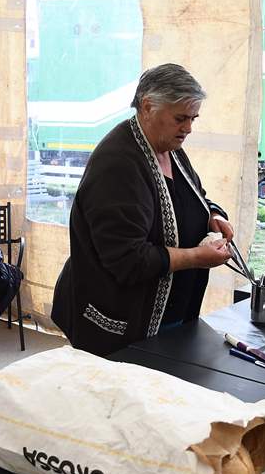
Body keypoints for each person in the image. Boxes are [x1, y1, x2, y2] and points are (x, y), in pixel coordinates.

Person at [52, 63, 233, 355]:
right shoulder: (118, 164)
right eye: (180, 118)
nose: (188, 128)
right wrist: (196, 257)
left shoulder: (169, 149)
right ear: (148, 106)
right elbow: (128, 259)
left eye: (193, 118)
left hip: (170, 319)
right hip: (120, 325)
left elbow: (193, 197)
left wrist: (213, 215)